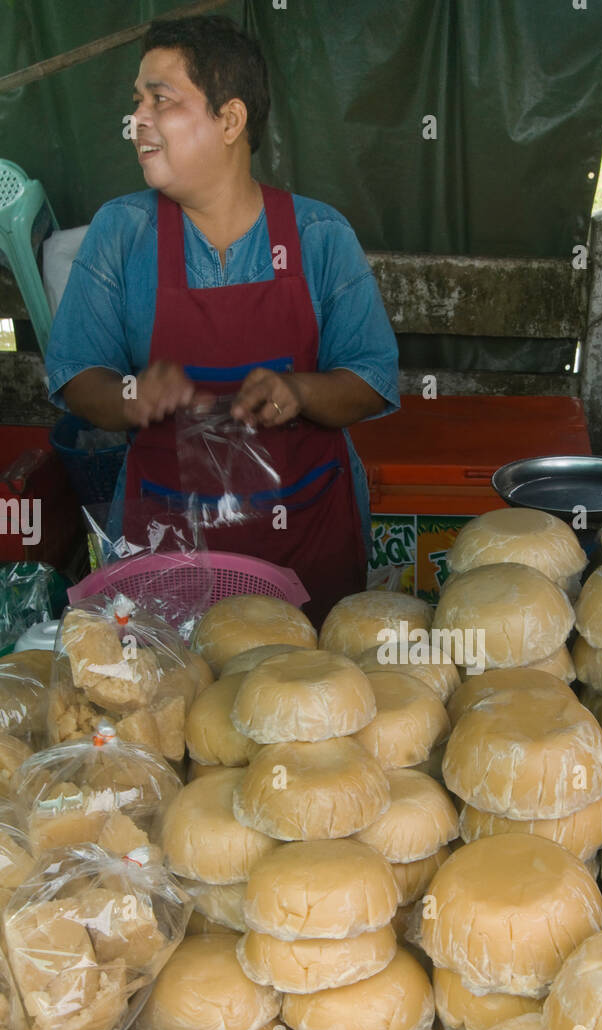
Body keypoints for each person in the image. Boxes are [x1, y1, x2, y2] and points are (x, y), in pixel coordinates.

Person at [45, 15, 399, 625]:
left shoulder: (317, 237)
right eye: (137, 102)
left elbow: (370, 380)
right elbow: (78, 374)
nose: (139, 120)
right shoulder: (123, 233)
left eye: (162, 100)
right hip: (165, 549)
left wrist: (300, 390)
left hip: (306, 542)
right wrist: (129, 395)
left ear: (230, 120)